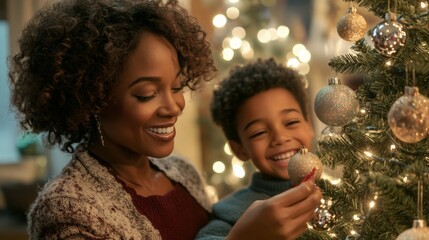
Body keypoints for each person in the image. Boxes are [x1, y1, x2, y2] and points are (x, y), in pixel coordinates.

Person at [9, 0, 321, 239]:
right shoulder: (67, 210)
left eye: (176, 87)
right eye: (146, 94)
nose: (173, 106)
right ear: (92, 98)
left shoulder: (182, 173)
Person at [197, 58, 321, 239]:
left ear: (309, 125)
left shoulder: (344, 191)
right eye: (259, 132)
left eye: (291, 122)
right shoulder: (231, 214)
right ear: (239, 149)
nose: (279, 138)